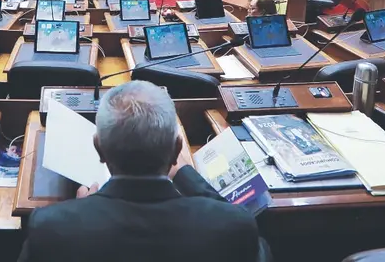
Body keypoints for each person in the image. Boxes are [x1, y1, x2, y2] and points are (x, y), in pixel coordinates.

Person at [16, 80, 266, 262]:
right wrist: (186, 174)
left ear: (98, 149)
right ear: (176, 148)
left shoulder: (51, 227)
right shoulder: (233, 225)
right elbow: (241, 227)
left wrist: (85, 210)